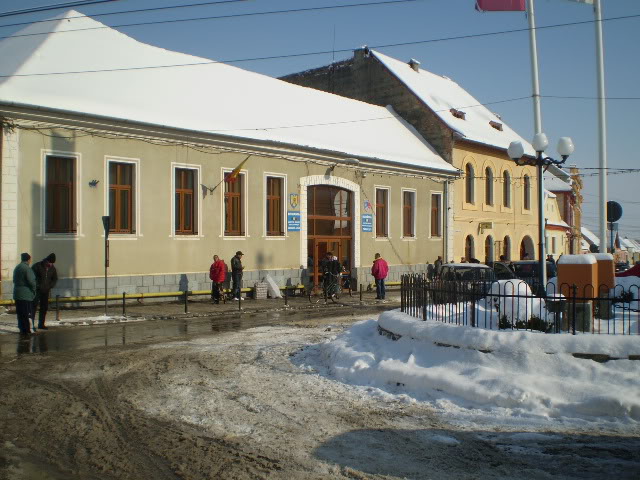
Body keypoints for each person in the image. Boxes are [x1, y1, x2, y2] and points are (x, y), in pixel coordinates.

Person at [31, 253, 58, 330]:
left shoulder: (52, 268)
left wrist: (50, 286)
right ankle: (31, 325)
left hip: (46, 291)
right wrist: (37, 285)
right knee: (33, 307)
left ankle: (41, 324)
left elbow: (55, 279)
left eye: (52, 263)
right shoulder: (37, 266)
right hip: (37, 290)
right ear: (46, 260)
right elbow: (32, 277)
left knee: (44, 308)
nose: (50, 264)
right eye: (49, 262)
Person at [13, 253, 36, 337]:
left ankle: (22, 329)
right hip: (26, 294)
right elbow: (32, 282)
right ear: (28, 260)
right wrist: (34, 291)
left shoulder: (17, 267)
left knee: (20, 313)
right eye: (30, 259)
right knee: (28, 313)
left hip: (17, 293)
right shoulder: (27, 268)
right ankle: (29, 330)